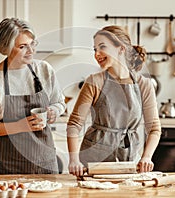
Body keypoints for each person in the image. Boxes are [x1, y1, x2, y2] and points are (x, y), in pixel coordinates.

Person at [0, 18, 66, 174]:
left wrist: (53, 112)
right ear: (6, 48)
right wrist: (21, 126)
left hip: (43, 161)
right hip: (7, 163)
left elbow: (60, 102)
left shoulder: (44, 70)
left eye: (32, 44)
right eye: (23, 47)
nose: (31, 51)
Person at [67, 25, 161, 176]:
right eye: (95, 49)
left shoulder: (144, 84)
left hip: (129, 162)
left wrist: (147, 157)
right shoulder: (94, 82)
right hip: (93, 162)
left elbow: (154, 128)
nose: (97, 54)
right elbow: (74, 124)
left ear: (121, 49)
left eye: (102, 47)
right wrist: (74, 160)